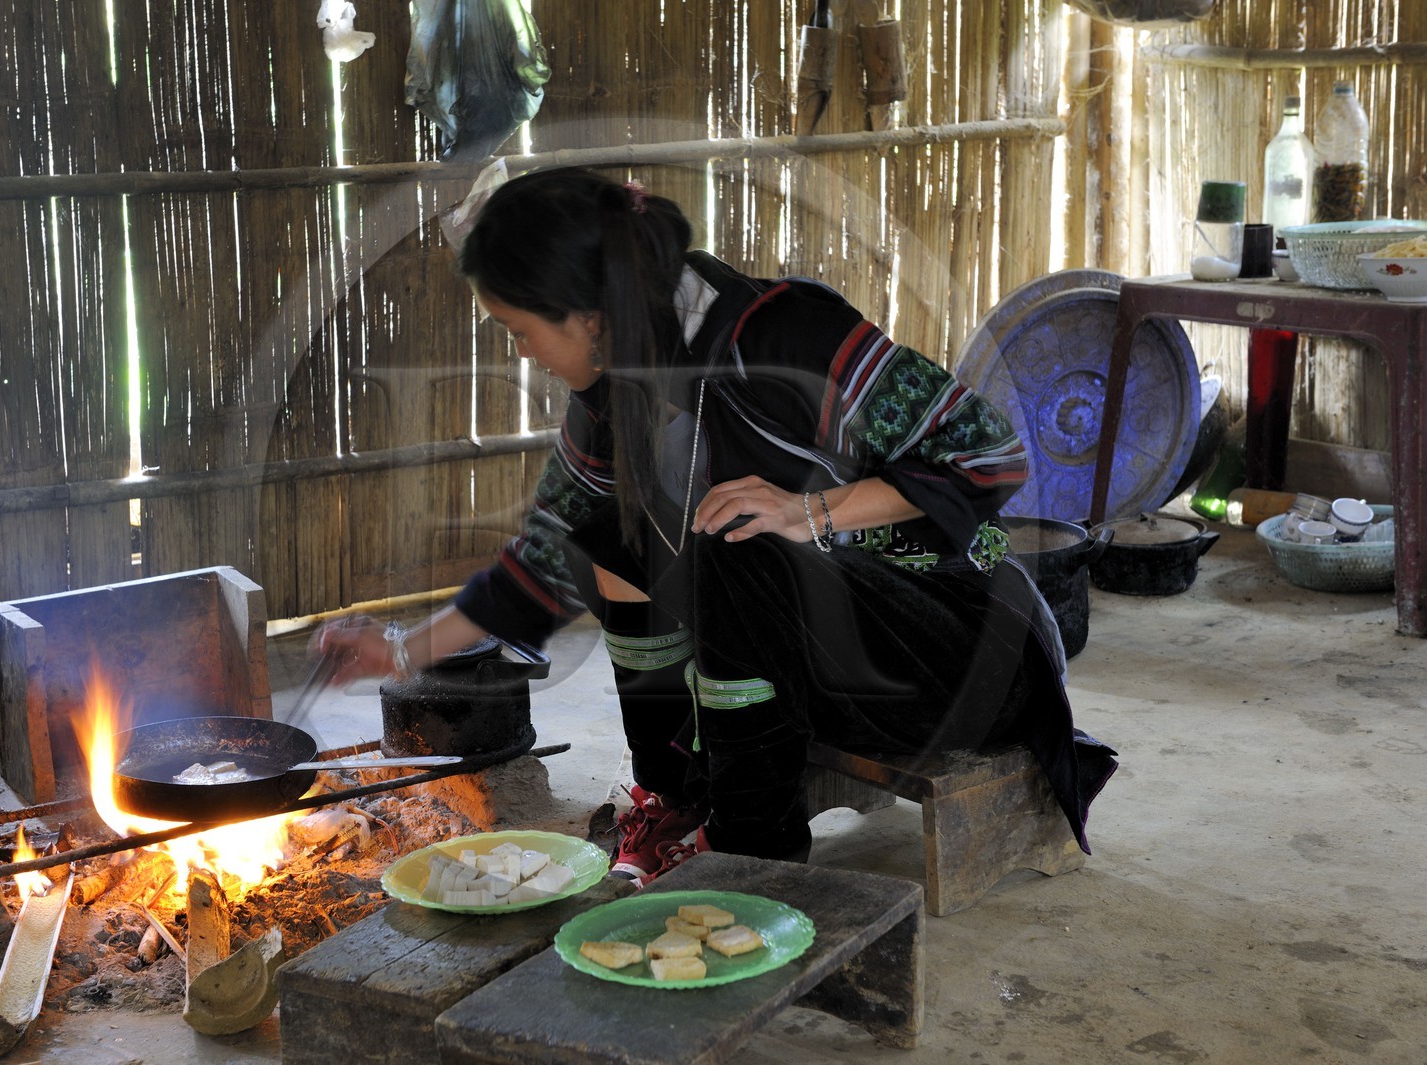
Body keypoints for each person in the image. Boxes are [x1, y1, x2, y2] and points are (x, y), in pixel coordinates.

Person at [314, 166, 1116, 885]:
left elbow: (988, 452)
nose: (521, 352)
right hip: (820, 661)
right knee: (600, 532)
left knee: (739, 542)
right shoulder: (611, 388)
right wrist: (400, 651)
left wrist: (809, 511)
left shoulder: (782, 335)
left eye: (520, 330)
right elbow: (541, 560)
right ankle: (672, 796)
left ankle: (753, 860)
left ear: (587, 315)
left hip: (960, 650)